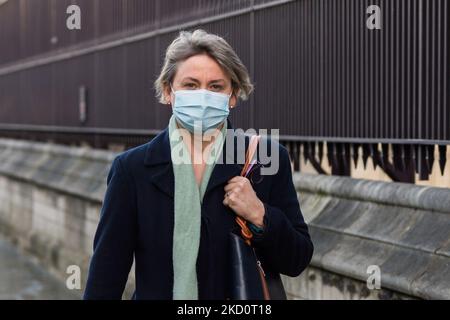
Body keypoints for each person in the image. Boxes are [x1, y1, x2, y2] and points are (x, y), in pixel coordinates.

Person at [83, 29, 313, 300]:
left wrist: (261, 215)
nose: (203, 96)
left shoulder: (265, 159)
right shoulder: (132, 169)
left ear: (232, 96)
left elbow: (297, 260)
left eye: (216, 86)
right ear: (169, 91)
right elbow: (106, 276)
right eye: (191, 85)